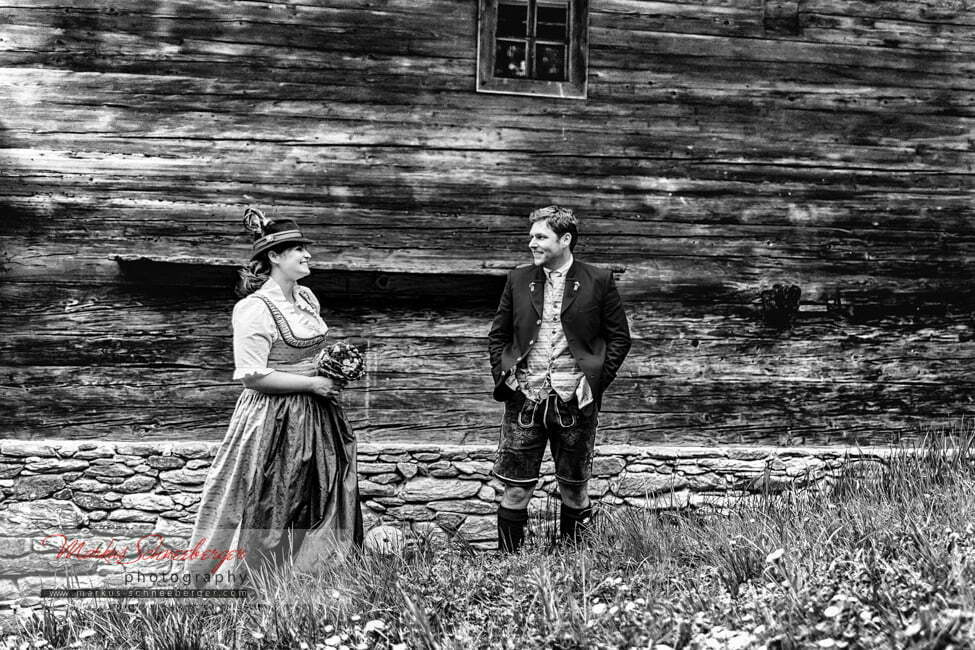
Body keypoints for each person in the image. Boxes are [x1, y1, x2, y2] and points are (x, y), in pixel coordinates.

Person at [184, 210, 362, 584]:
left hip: (316, 417)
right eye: (297, 249)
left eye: (305, 248)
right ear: (274, 257)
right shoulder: (254, 309)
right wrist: (312, 383)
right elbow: (252, 376)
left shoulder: (307, 298)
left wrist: (330, 369)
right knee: (261, 496)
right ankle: (224, 580)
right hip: (271, 417)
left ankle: (307, 579)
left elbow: (311, 353)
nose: (307, 255)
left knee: (318, 493)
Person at [487, 205, 631, 552]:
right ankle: (508, 567)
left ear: (565, 239)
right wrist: (505, 376)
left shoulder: (598, 279)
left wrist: (593, 383)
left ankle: (573, 563)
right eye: (531, 236)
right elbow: (498, 335)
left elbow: (620, 338)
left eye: (540, 237)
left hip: (574, 401)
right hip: (526, 397)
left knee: (575, 489)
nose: (531, 243)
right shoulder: (518, 279)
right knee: (516, 489)